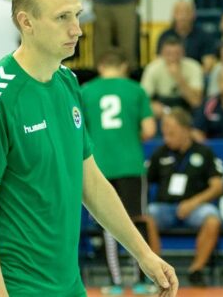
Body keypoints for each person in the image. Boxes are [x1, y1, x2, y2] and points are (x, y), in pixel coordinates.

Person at [0, 0, 177, 297]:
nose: (76, 29)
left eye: (76, 15)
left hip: (68, 286)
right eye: (62, 17)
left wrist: (144, 253)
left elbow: (90, 181)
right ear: (26, 22)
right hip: (11, 288)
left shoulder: (68, 84)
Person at [80, 51, 159, 295]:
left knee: (108, 223)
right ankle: (142, 280)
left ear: (101, 65)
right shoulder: (135, 90)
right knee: (137, 219)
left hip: (99, 167)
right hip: (130, 165)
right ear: (124, 66)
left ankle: (115, 282)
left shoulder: (85, 91)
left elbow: (78, 131)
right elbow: (149, 130)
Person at [147, 108, 223, 288]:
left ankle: (196, 270)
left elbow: (218, 187)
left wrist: (193, 202)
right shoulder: (160, 153)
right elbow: (146, 181)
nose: (167, 138)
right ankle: (158, 271)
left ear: (186, 130)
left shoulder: (204, 152)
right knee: (147, 214)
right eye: (165, 134)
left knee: (212, 219)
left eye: (172, 134)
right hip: (165, 208)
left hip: (194, 208)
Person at [141, 36, 204, 117]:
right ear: (161, 54)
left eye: (177, 53)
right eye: (168, 54)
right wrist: (153, 105)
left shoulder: (193, 67)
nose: (173, 58)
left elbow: (196, 102)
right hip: (162, 106)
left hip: (186, 107)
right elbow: (143, 99)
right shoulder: (153, 68)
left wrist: (178, 77)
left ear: (183, 53)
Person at [157, 1, 217, 72]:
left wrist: (193, 76)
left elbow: (208, 64)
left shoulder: (204, 36)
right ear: (173, 15)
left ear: (194, 15)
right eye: (179, 13)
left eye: (187, 12)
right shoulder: (165, 35)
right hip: (168, 74)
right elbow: (159, 61)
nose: (183, 16)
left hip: (196, 75)